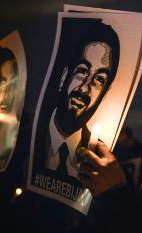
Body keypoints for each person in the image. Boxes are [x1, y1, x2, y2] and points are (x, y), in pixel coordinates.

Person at [44, 20, 120, 178]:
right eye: (82, 71)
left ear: (105, 93)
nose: (85, 88)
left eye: (99, 80)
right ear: (65, 75)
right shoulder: (30, 139)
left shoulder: (101, 162)